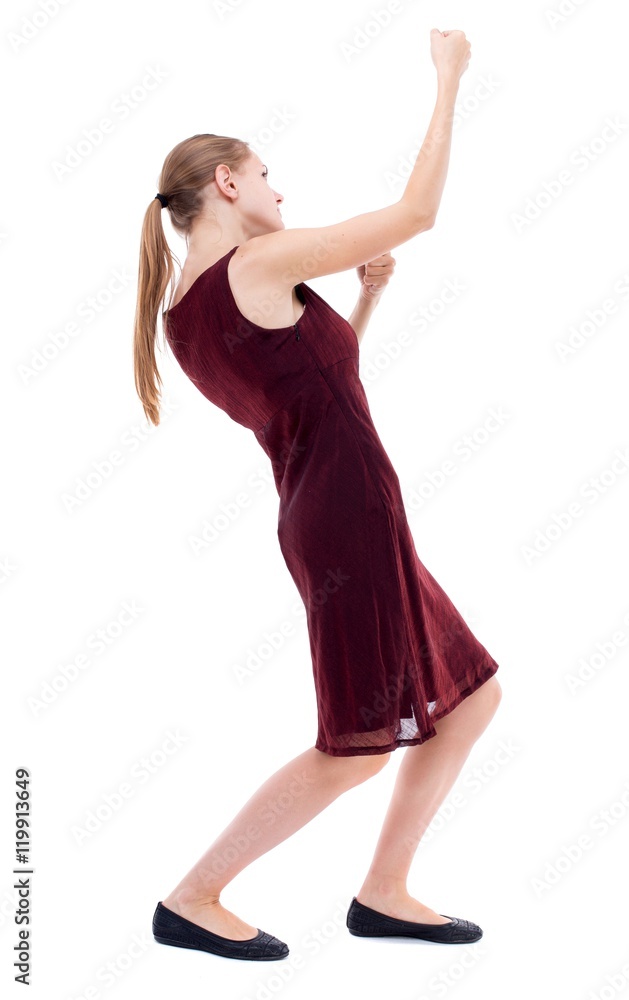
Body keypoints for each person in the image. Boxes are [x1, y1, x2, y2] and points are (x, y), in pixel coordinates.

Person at [133, 27, 502, 963]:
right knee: (360, 740)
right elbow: (416, 211)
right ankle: (193, 895)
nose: (277, 192)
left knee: (468, 699)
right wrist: (449, 76)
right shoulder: (256, 266)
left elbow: (315, 391)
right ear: (225, 185)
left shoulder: (184, 315)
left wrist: (364, 301)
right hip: (345, 516)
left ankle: (384, 891)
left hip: (332, 509)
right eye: (265, 174)